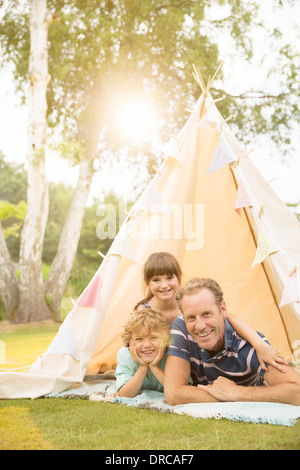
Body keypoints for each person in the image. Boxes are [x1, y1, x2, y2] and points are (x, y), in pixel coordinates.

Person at [134, 252, 287, 373]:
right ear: (147, 282)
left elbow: (229, 318)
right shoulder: (144, 309)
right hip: (160, 359)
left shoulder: (187, 303)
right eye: (156, 280)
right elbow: (134, 338)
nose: (164, 285)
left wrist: (259, 344)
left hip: (188, 359)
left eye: (169, 278)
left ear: (179, 277)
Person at [164, 277, 300, 406]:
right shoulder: (182, 327)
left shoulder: (249, 346)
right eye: (191, 317)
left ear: (223, 309)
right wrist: (227, 396)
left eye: (206, 314)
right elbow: (173, 393)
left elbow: (297, 391)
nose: (199, 325)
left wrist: (237, 392)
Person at [115, 308, 169, 397]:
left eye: (154, 338)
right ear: (130, 342)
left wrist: (154, 367)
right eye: (139, 339)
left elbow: (177, 392)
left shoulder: (172, 354)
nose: (147, 345)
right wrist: (142, 367)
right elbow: (125, 395)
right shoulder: (124, 354)